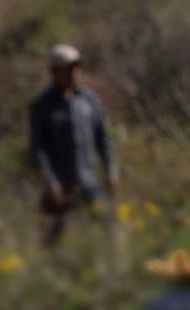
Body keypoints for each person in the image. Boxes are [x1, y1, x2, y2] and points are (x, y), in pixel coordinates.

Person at [29, 43, 118, 247]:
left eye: (76, 67)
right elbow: (37, 149)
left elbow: (103, 140)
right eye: (67, 68)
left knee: (107, 231)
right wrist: (51, 183)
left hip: (89, 181)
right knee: (53, 241)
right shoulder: (42, 106)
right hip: (60, 185)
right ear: (54, 71)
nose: (73, 72)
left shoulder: (89, 100)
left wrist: (111, 170)